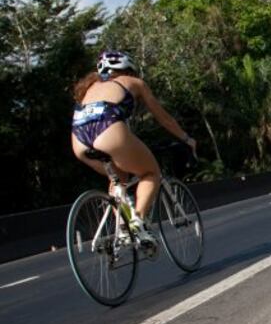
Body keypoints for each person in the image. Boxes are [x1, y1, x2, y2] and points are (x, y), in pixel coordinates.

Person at [71, 50, 197, 249]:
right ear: (128, 70)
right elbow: (163, 117)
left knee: (117, 179)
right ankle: (137, 221)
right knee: (150, 172)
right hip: (107, 130)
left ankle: (122, 228)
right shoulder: (134, 83)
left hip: (79, 140)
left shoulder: (90, 87)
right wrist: (186, 138)